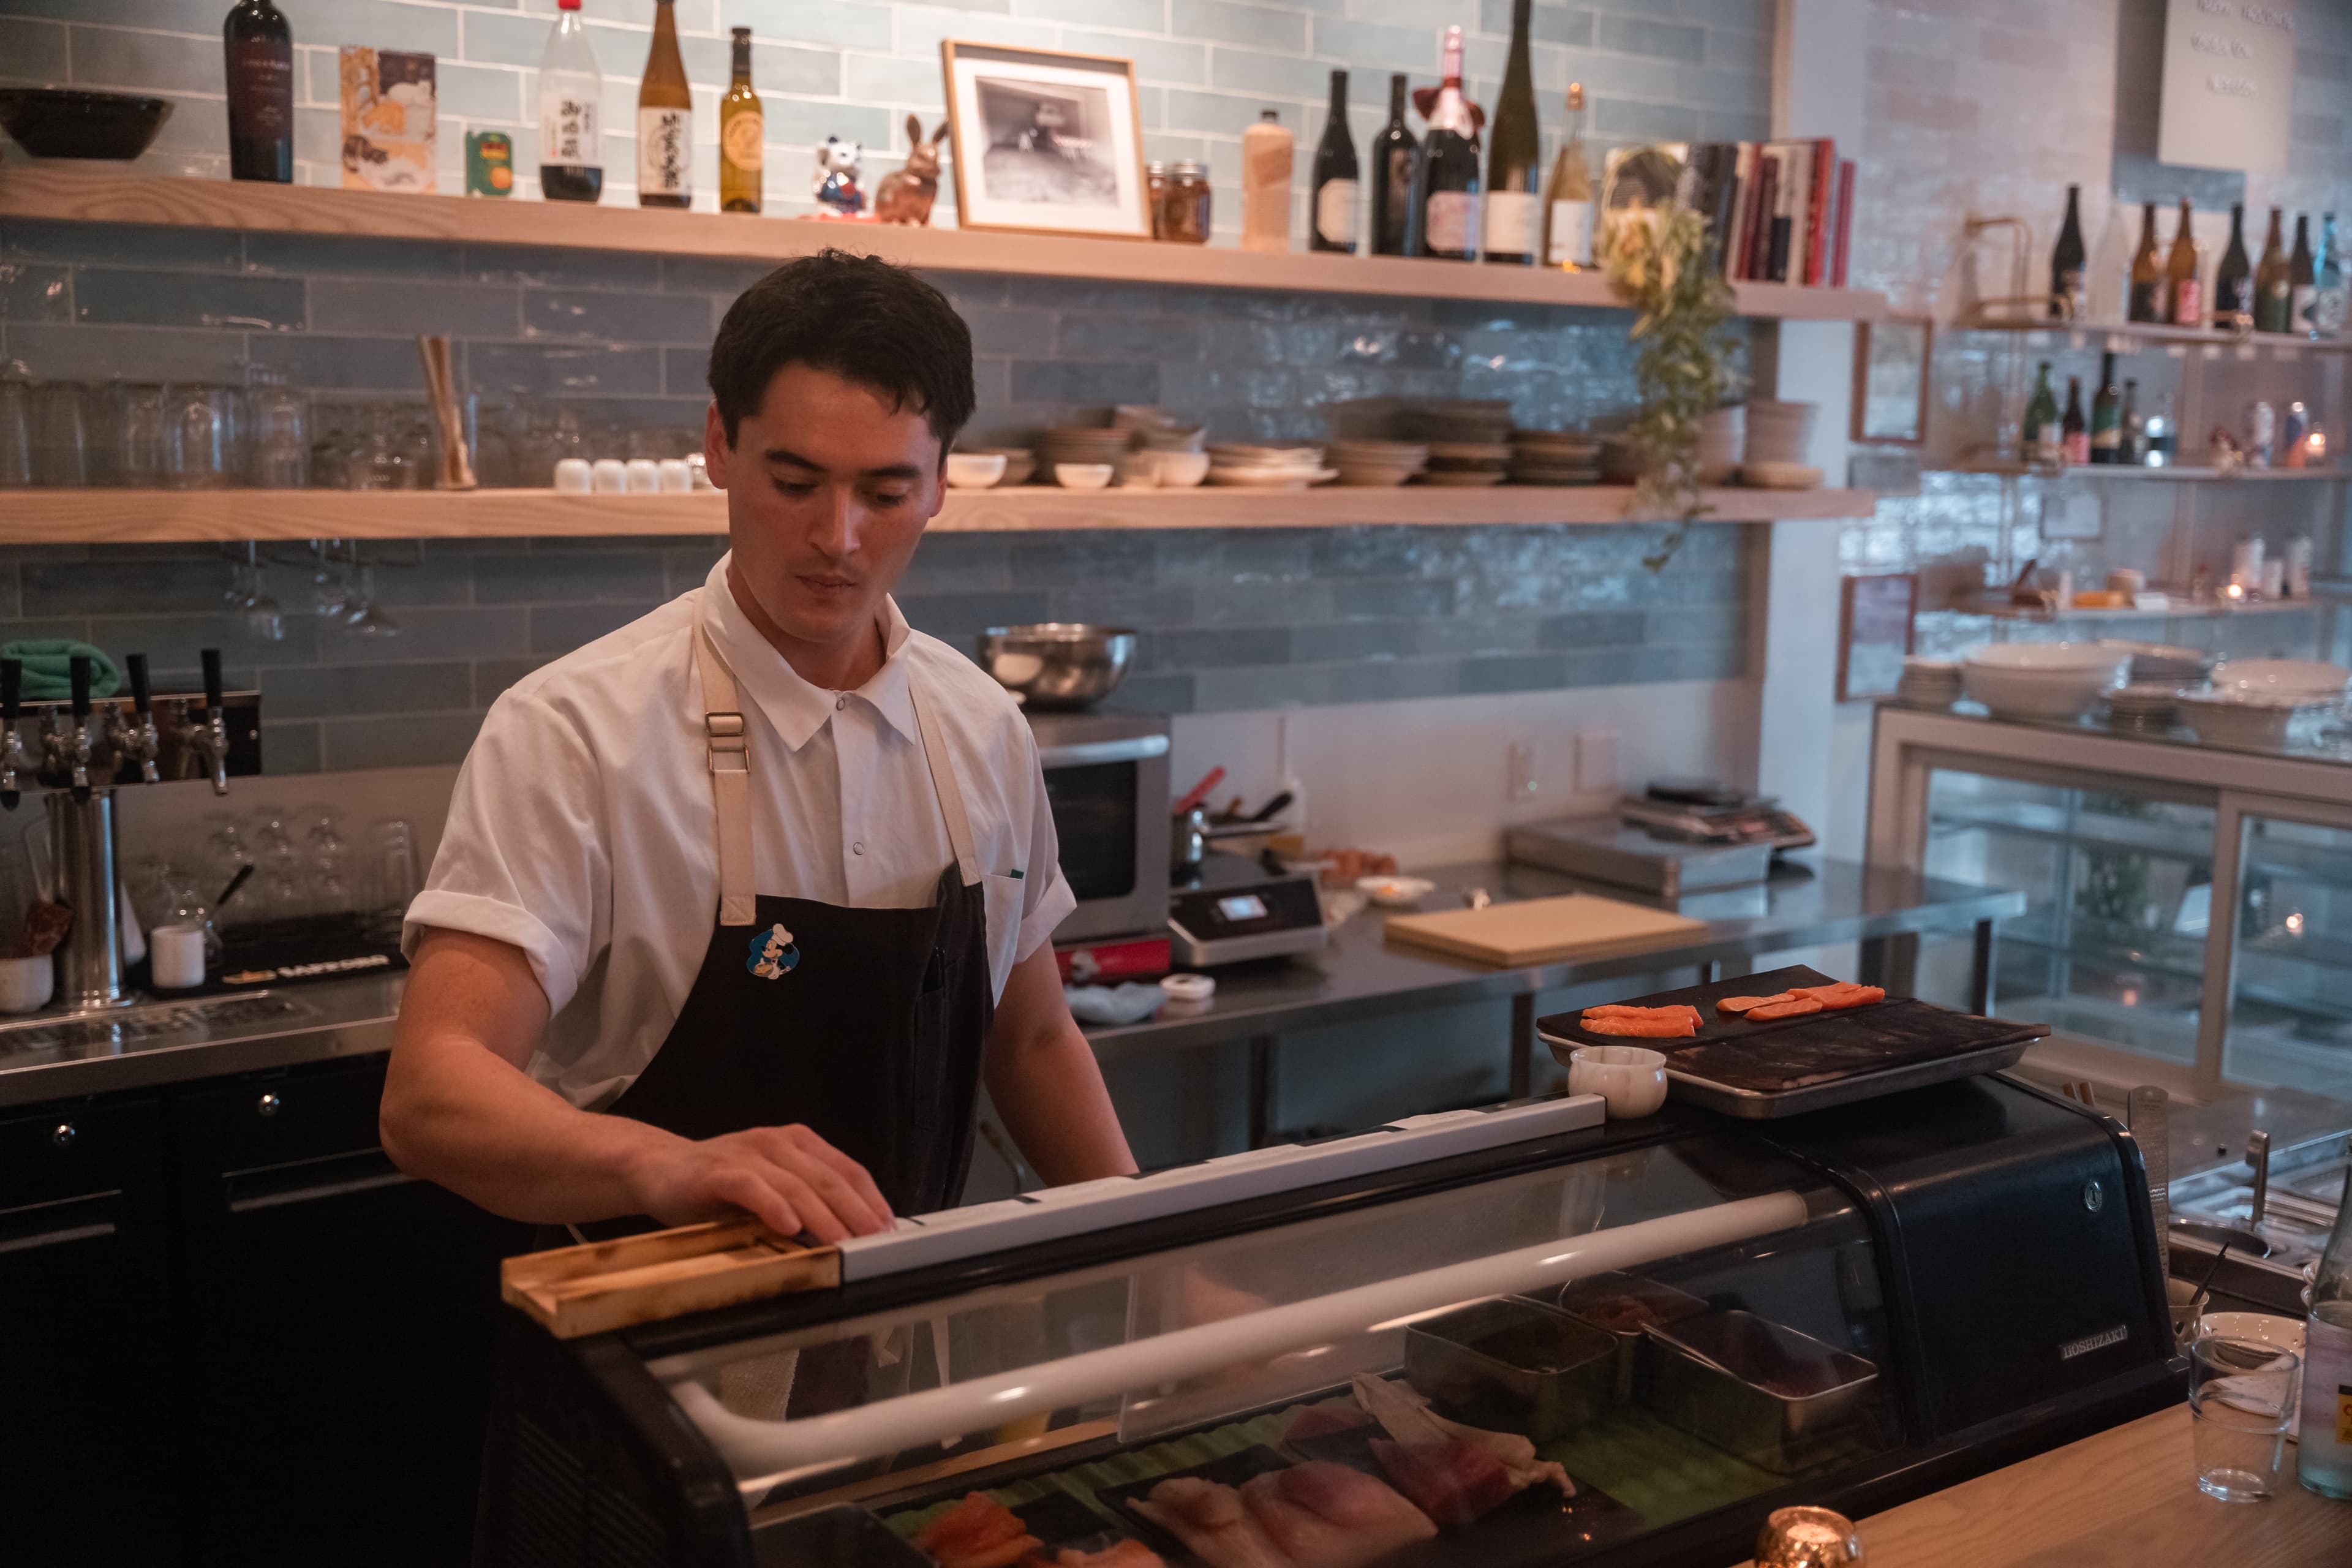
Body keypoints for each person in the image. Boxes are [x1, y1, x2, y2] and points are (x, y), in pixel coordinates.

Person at [380, 251, 1135, 1245]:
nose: (839, 536)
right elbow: (431, 1091)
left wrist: (1158, 1247)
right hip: (644, 1361)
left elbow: (1031, 1039)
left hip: (897, 1356)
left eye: (886, 491)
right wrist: (670, 1164)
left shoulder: (981, 725)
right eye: (796, 481)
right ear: (719, 447)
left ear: (942, 484)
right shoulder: (575, 732)